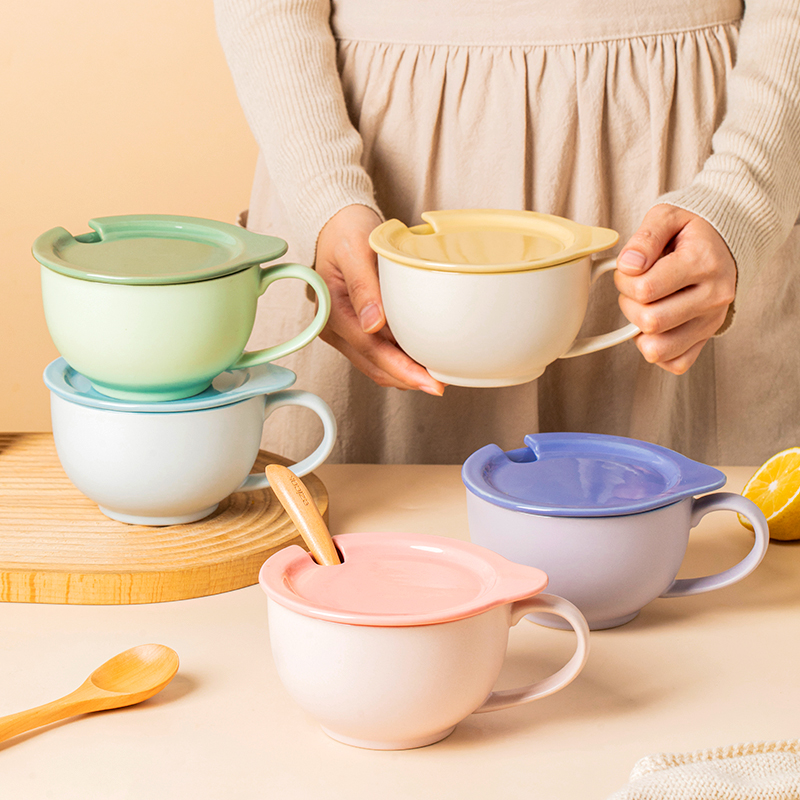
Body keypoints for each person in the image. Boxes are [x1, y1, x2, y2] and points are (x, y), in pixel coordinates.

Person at [214, 0, 800, 466]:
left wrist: (739, 198)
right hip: (370, 178)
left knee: (704, 584)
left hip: (683, 160)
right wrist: (324, 192)